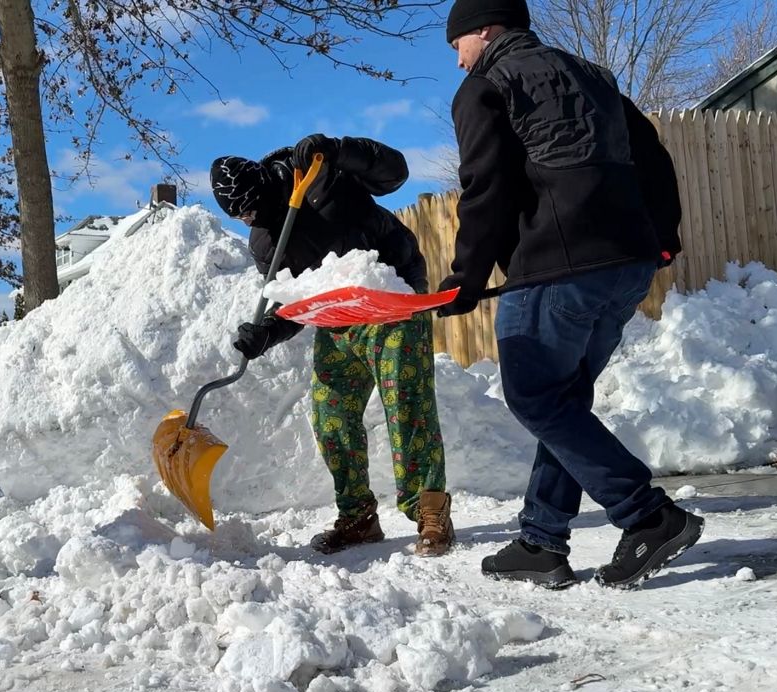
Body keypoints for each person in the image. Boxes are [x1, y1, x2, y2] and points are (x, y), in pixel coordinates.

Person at [439, 0, 702, 589]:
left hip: (555, 267)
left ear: (484, 28)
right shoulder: (593, 74)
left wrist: (467, 278)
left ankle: (648, 516)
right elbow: (653, 158)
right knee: (565, 404)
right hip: (626, 264)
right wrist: (661, 238)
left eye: (458, 44)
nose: (458, 61)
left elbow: (487, 188)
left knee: (536, 399)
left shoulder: (486, 86)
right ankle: (540, 540)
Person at [210, 135, 452, 556]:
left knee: (406, 402)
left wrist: (342, 151)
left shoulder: (319, 169)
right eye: (241, 216)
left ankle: (429, 510)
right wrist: (267, 331)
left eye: (252, 207)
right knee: (330, 414)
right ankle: (358, 517)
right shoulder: (267, 241)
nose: (250, 219)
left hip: (390, 295)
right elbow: (293, 299)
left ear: (265, 182)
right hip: (338, 318)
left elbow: (395, 172)